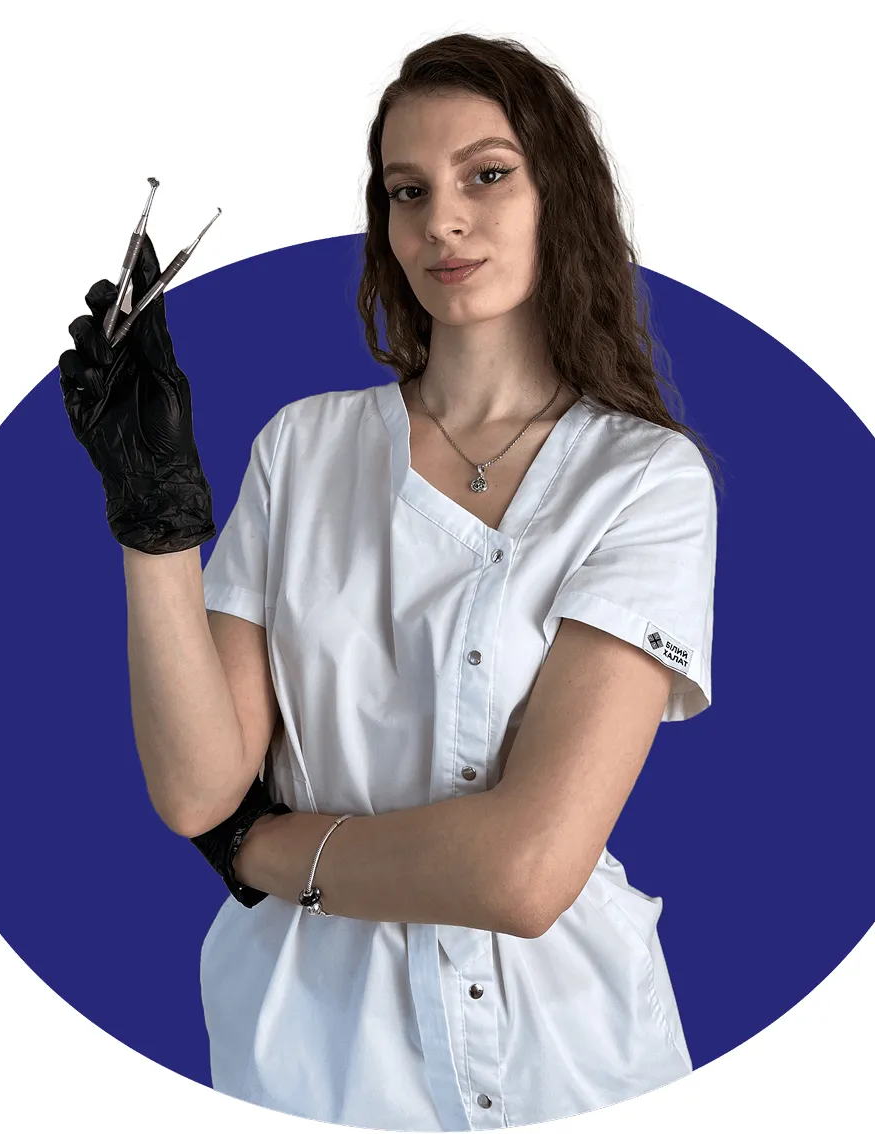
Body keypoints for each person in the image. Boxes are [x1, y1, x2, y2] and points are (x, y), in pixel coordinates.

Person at [59, 31, 720, 1133]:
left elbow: (525, 871)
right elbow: (195, 790)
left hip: (575, 1057)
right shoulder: (302, 450)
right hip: (318, 1057)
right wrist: (155, 519)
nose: (441, 220)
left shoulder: (645, 479)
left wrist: (270, 852)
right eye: (405, 190)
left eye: (486, 176)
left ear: (563, 195)